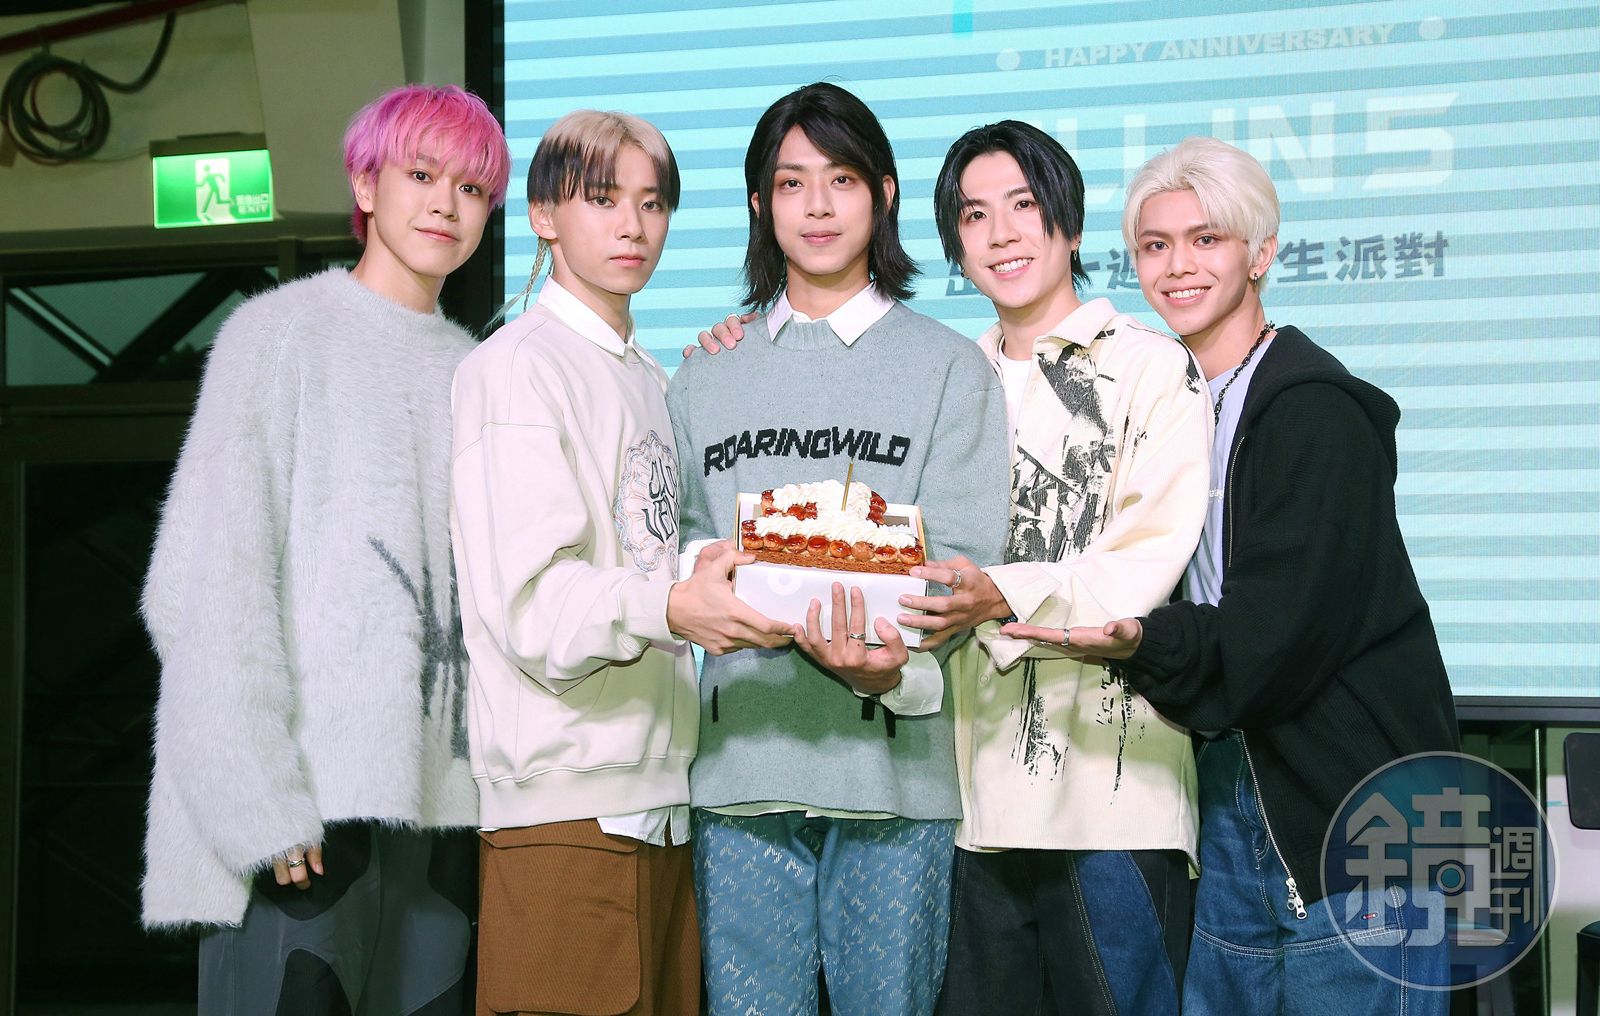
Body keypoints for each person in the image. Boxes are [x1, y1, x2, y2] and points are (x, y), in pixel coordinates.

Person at [1004, 135, 1459, 1013]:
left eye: (1206, 239)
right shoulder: (1165, 403)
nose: (1178, 265)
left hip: (1350, 809)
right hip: (1226, 788)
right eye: (1155, 244)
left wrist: (1139, 638)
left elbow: (1271, 638)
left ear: (1262, 253)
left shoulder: (1315, 412)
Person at [141, 84, 511, 1014]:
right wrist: (256, 800)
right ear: (366, 184)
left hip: (441, 819)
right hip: (305, 815)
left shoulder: (477, 370)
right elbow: (199, 585)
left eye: (471, 188)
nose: (445, 203)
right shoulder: (279, 334)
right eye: (421, 175)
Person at [667, 82, 1010, 1016]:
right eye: (791, 183)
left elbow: (966, 563)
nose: (817, 206)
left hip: (894, 778)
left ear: (884, 195)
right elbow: (680, 547)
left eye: (842, 179)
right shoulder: (705, 373)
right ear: (759, 203)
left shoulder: (950, 367)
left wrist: (889, 667)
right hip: (742, 774)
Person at [450, 108, 790, 1016]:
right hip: (563, 812)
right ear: (543, 215)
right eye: (602, 199)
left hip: (661, 809)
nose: (633, 225)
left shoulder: (647, 376)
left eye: (652, 202)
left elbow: (647, 550)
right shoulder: (516, 368)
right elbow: (532, 604)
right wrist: (674, 603)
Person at [913, 121, 1210, 1015]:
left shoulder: (1152, 368)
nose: (1001, 233)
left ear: (1070, 226)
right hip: (965, 808)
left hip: (1112, 799)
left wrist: (996, 593)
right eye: (975, 215)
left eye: (1024, 205)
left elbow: (1148, 555)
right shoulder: (945, 380)